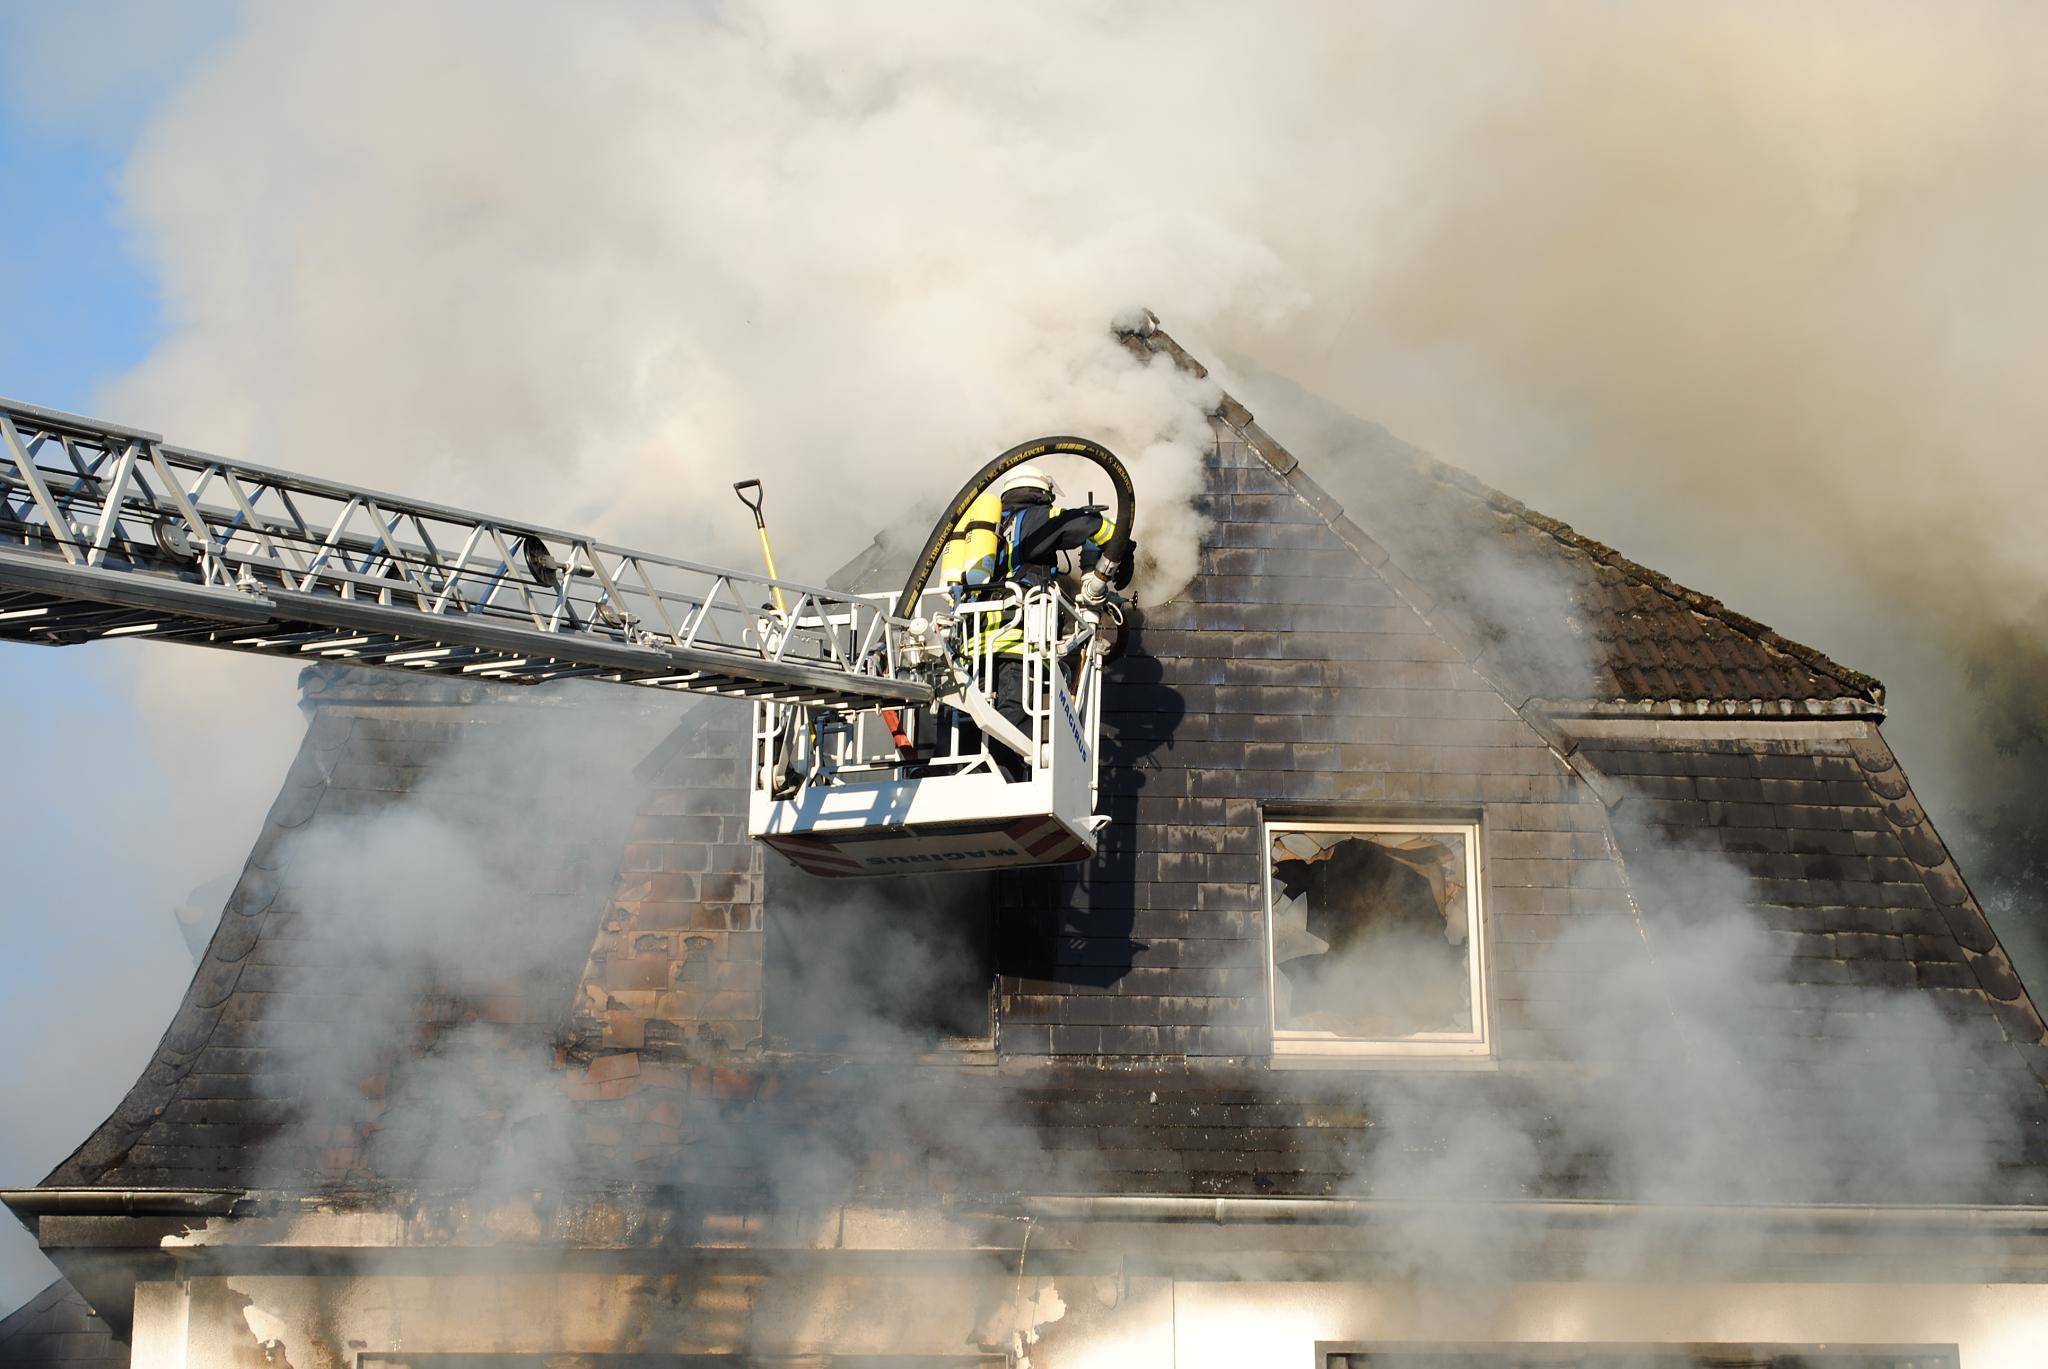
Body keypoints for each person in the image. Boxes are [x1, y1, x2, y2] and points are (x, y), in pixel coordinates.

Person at [945, 464, 1126, 780]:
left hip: (976, 647)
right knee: (1012, 721)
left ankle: (973, 777)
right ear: (1042, 494)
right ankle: (1009, 782)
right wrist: (1121, 543)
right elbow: (1084, 524)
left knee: (979, 719)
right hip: (1018, 644)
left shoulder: (992, 529)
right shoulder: (1033, 518)